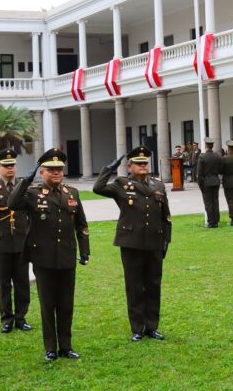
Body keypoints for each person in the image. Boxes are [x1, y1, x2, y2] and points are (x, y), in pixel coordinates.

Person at [7, 149, 90, 361]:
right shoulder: (33, 193)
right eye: (51, 170)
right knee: (47, 304)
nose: (56, 173)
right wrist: (26, 180)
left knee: (66, 304)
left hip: (67, 255)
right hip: (43, 257)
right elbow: (12, 203)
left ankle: (66, 345)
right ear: (42, 172)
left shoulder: (72, 193)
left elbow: (81, 224)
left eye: (59, 169)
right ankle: (51, 348)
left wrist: (85, 250)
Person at [93, 146, 172, 341]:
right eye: (138, 163)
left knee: (153, 285)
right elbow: (98, 188)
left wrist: (166, 240)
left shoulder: (158, 186)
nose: (143, 166)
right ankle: (137, 328)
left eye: (145, 162)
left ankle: (152, 327)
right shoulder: (121, 184)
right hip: (131, 243)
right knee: (135, 286)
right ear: (130, 166)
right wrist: (109, 169)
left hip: (154, 242)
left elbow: (165, 216)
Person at [0, 149, 31, 334]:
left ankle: (21, 317)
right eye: (6, 166)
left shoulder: (24, 185)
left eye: (12, 165)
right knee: (3, 283)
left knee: (22, 281)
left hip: (21, 240)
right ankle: (6, 319)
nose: (10, 168)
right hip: (1, 241)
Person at [196, 139, 222, 227]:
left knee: (208, 203)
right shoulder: (217, 156)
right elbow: (220, 169)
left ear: (206, 146)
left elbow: (199, 174)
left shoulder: (202, 157)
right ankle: (216, 220)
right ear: (212, 146)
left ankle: (211, 222)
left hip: (206, 182)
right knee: (215, 201)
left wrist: (200, 185)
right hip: (215, 180)